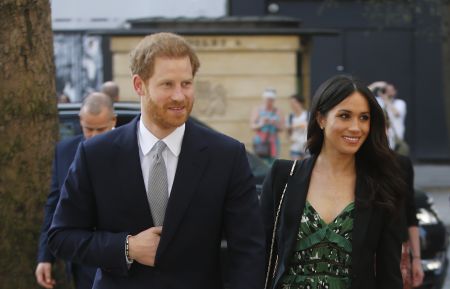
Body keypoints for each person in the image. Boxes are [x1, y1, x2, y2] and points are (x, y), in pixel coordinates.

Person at [48, 32, 265, 289]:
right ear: (139, 85)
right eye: (167, 84)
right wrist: (127, 247)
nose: (179, 96)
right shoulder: (96, 154)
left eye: (186, 83)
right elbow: (62, 237)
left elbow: (249, 249)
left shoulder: (226, 156)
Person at [261, 75, 406, 289]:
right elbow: (259, 253)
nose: (356, 128)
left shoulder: (382, 185)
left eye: (364, 118)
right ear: (320, 118)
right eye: (345, 116)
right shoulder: (283, 176)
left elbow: (389, 273)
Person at [35, 92, 117, 289]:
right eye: (89, 129)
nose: (94, 136)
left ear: (113, 121)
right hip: (81, 261)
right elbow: (55, 206)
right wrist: (45, 257)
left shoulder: (131, 149)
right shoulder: (64, 151)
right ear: (80, 120)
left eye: (101, 129)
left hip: (119, 257)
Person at [397, 155, 424, 289]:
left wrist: (417, 259)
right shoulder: (356, 162)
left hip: (400, 250)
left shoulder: (402, 163)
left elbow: (410, 212)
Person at [250, 88, 284, 164]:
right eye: (268, 99)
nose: (269, 102)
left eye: (271, 100)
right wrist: (262, 123)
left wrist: (274, 123)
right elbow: (252, 126)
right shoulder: (258, 110)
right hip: (260, 141)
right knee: (260, 162)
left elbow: (282, 128)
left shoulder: (278, 111)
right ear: (264, 99)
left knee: (273, 163)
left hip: (273, 141)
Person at [286, 94, 308, 160]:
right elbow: (287, 131)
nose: (292, 105)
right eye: (291, 103)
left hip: (306, 146)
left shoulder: (307, 115)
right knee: (296, 167)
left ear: (300, 103)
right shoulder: (290, 117)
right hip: (295, 146)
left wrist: (294, 126)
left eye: (294, 102)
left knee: (307, 168)